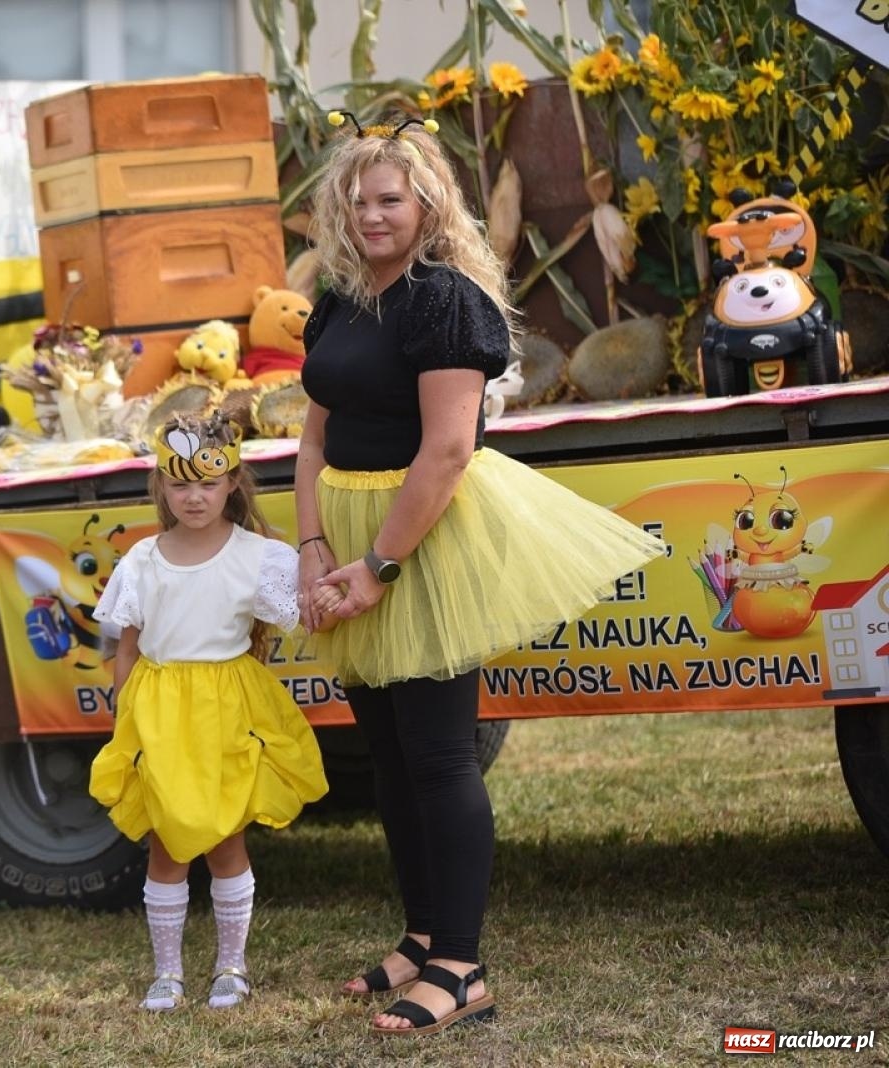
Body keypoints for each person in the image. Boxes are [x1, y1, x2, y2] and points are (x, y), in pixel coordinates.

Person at [293, 115, 665, 1038]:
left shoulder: (444, 299)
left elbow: (450, 449)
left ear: (428, 204)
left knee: (438, 754)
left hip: (420, 540)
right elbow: (313, 432)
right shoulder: (342, 297)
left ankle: (461, 969)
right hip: (347, 543)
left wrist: (378, 565)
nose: (373, 214)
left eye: (392, 198)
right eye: (358, 198)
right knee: (385, 753)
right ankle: (421, 939)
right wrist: (309, 545)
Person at [89, 414, 329, 1013]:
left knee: (225, 840)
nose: (194, 497)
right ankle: (167, 973)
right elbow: (127, 648)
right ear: (161, 489)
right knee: (167, 844)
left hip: (226, 711)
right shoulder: (142, 560)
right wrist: (127, 721)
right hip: (162, 714)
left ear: (232, 485)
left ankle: (232, 965)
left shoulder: (259, 558)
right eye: (179, 485)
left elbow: (300, 612)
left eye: (207, 484)